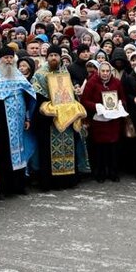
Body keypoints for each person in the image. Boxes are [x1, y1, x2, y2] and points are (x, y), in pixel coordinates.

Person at [31, 45, 88, 190]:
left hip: (66, 119)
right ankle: (48, 182)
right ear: (47, 57)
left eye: (56, 55)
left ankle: (67, 180)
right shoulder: (39, 75)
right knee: (48, 152)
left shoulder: (65, 73)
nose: (54, 58)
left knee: (68, 149)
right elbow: (37, 98)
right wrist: (50, 108)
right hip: (48, 120)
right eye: (51, 56)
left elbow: (69, 95)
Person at [0, 51, 35, 196]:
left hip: (18, 121)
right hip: (1, 123)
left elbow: (28, 94)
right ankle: (4, 187)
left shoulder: (18, 75)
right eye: (6, 57)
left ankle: (18, 185)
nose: (9, 60)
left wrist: (27, 117)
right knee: (3, 153)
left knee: (19, 151)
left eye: (11, 57)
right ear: (0, 59)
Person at [82, 60, 125, 183]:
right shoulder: (92, 83)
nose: (105, 74)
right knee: (100, 149)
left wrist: (120, 104)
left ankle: (113, 172)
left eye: (107, 71)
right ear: (99, 72)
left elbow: (122, 97)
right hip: (98, 121)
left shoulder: (116, 83)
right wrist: (97, 106)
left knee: (113, 148)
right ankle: (99, 172)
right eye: (103, 71)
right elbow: (84, 101)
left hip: (113, 121)